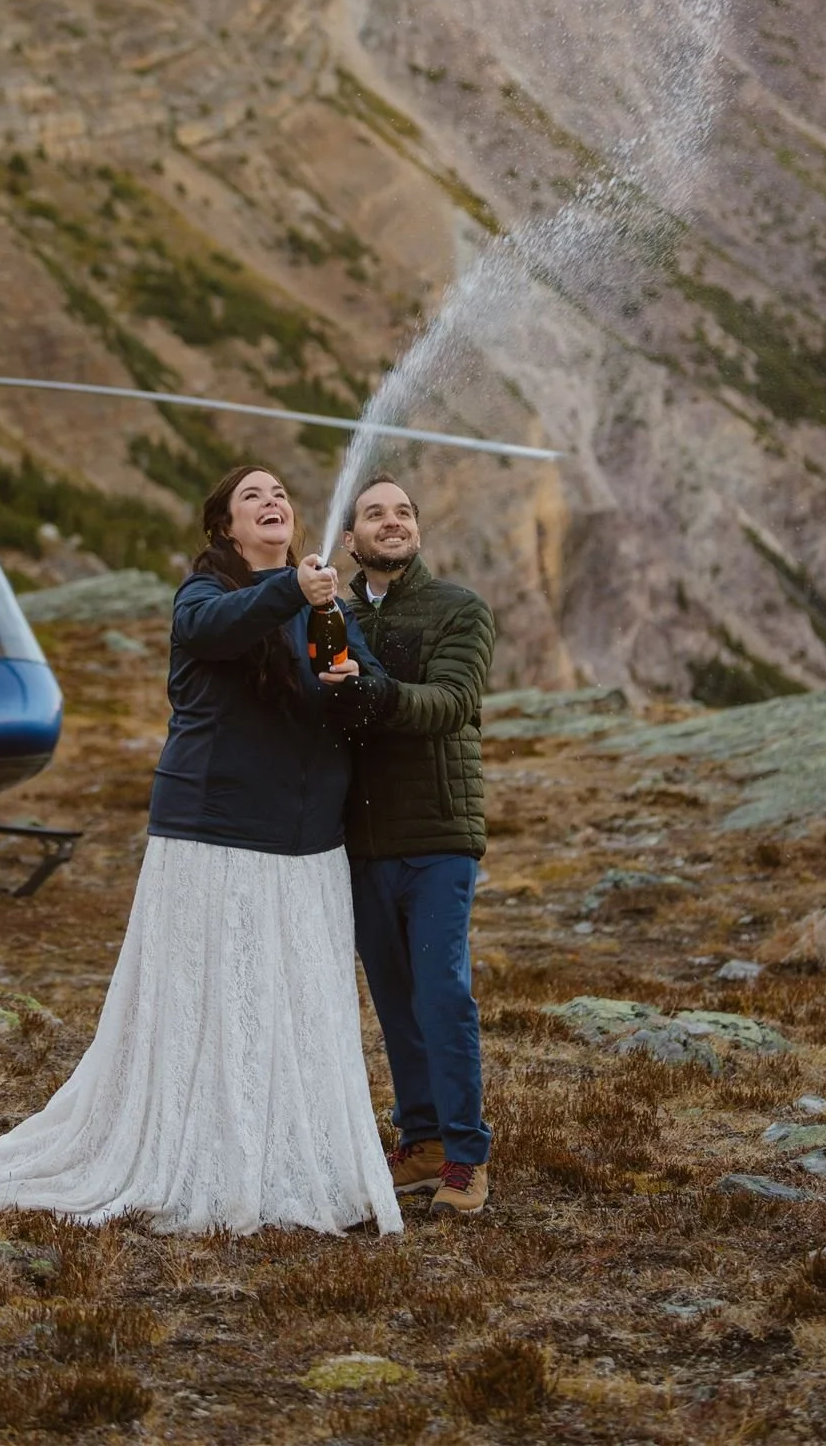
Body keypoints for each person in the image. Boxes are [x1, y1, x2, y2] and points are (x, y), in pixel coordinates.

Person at [0, 465, 402, 1237]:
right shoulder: (206, 597)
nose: (273, 503)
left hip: (307, 845)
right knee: (211, 1000)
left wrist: (356, 680)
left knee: (286, 1007)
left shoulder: (321, 608)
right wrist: (296, 591)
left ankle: (287, 1155)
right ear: (224, 527)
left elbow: (370, 689)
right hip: (215, 836)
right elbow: (216, 632)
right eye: (251, 496)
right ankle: (202, 1156)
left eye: (280, 494)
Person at [342, 473, 496, 1217]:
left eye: (402, 512)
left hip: (437, 833)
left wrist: (378, 695)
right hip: (363, 840)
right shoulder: (332, 617)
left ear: (417, 533)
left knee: (442, 993)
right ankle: (421, 1139)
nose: (391, 522)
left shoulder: (458, 610)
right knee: (395, 1000)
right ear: (350, 540)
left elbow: (453, 703)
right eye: (374, 514)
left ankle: (466, 1157)